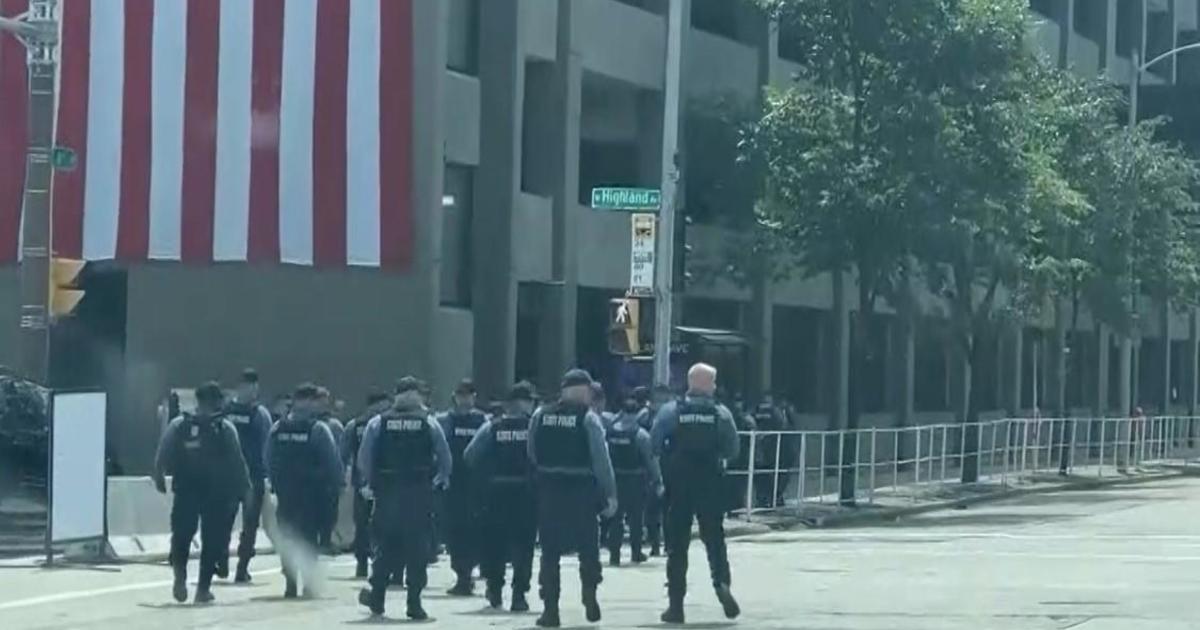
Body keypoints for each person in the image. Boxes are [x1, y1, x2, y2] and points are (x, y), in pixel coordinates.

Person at [651, 363, 742, 624]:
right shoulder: (720, 413)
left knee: (677, 546)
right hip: (710, 484)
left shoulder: (672, 411)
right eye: (713, 383)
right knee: (714, 539)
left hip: (679, 485)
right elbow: (733, 448)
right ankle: (721, 583)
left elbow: (655, 441)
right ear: (708, 385)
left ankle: (676, 605)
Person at [528, 369, 618, 628]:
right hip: (582, 493)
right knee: (588, 549)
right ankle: (589, 595)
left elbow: (532, 453)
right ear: (585, 391)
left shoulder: (540, 415)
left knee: (550, 553)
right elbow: (602, 461)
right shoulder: (588, 419)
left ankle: (550, 611)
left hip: (550, 492)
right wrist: (610, 494)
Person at [357, 376, 452, 620]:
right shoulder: (428, 422)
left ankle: (377, 598)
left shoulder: (379, 423)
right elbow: (445, 459)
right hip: (418, 495)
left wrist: (371, 485)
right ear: (417, 395)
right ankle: (414, 603)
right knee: (417, 550)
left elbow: (364, 459)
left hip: (387, 494)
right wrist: (437, 482)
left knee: (385, 548)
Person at [153, 382, 250, 604]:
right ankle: (203, 589)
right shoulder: (224, 427)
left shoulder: (180, 424)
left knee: (181, 536)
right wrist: (245, 490)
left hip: (186, 489)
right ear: (217, 401)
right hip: (216, 493)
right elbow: (238, 461)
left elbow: (162, 452)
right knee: (212, 540)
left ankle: (180, 577)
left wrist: (159, 476)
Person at [464, 381, 539, 612]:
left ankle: (495, 591)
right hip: (526, 494)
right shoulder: (534, 427)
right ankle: (519, 595)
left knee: (495, 544)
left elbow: (470, 455)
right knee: (523, 546)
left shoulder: (492, 427)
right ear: (525, 403)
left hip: (496, 493)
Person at [266, 383, 344, 599]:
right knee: (309, 538)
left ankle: (291, 583)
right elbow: (332, 462)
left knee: (288, 537)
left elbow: (269, 459)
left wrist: (275, 484)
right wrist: (336, 486)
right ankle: (308, 584)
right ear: (308, 401)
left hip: (286, 494)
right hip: (311, 494)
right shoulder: (317, 429)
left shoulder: (278, 428)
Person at [221, 368, 273, 583]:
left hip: (253, 477)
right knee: (223, 522)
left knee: (249, 526)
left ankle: (242, 567)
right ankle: (221, 561)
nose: (249, 391)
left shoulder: (259, 414)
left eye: (252, 387)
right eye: (245, 386)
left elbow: (268, 446)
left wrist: (267, 474)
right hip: (230, 476)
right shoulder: (227, 411)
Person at [438, 378, 488, 596]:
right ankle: (462, 575)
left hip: (478, 485)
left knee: (478, 529)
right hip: (454, 484)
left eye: (468, 395)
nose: (464, 399)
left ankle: (475, 569)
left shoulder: (483, 421)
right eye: (461, 395)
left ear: (474, 397)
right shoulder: (444, 421)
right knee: (455, 531)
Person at [605, 389, 663, 566]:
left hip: (615, 480)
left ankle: (614, 555)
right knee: (636, 519)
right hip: (636, 481)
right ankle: (636, 553)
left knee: (615, 519)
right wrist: (658, 480)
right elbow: (651, 459)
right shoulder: (640, 434)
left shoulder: (610, 432)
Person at [342, 390, 392, 578]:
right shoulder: (356, 426)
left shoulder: (386, 424)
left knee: (380, 526)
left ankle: (380, 563)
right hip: (364, 483)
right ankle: (362, 563)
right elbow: (344, 452)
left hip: (382, 483)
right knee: (362, 526)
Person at [644, 384, 674, 557]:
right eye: (658, 399)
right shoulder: (644, 417)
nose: (660, 403)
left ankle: (669, 545)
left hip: (670, 467)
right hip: (649, 470)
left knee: (669, 511)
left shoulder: (673, 418)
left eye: (664, 399)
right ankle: (654, 544)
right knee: (651, 512)